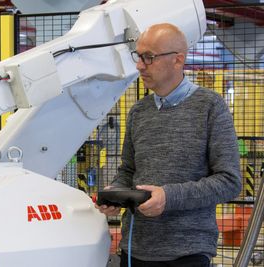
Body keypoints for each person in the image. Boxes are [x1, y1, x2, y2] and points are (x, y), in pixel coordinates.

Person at [96, 23, 241, 267]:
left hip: (187, 254)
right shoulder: (138, 112)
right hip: (136, 249)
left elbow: (229, 181)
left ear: (178, 60)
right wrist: (116, 195)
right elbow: (129, 171)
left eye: (148, 57)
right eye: (138, 56)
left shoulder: (210, 107)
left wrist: (169, 197)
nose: (139, 65)